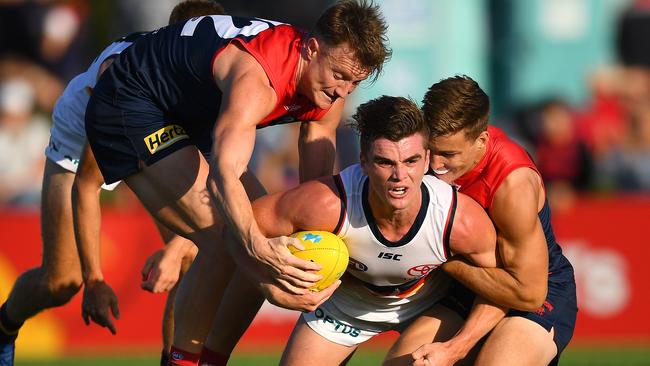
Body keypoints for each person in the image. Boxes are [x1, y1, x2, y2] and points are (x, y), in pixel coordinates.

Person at [81, 0, 390, 362]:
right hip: (131, 100)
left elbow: (314, 193)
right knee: (226, 238)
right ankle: (181, 361)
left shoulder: (330, 85)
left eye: (356, 82)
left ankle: (211, 359)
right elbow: (223, 176)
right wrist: (257, 251)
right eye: (340, 75)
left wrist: (319, 240)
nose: (343, 91)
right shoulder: (256, 76)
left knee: (263, 228)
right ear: (312, 48)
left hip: (190, 114)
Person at [197, 95, 506, 365]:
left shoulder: (459, 218)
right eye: (385, 162)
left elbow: (501, 291)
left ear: (427, 159)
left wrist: (456, 348)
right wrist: (268, 284)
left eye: (411, 161)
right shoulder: (325, 203)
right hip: (346, 306)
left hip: (428, 304)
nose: (400, 176)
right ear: (363, 160)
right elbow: (236, 233)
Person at [0, 2, 226, 366]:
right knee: (62, 282)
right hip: (84, 139)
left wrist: (177, 247)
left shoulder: (217, 75)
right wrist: (95, 281)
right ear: (170, 41)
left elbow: (216, 186)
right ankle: (4, 325)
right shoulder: (125, 72)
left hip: (149, 138)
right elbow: (88, 182)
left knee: (191, 257)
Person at [418, 75, 577, 365]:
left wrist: (442, 255)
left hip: (536, 296)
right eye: (431, 151)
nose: (434, 165)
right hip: (470, 286)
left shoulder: (511, 184)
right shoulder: (419, 157)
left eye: (448, 154)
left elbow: (527, 292)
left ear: (481, 140)